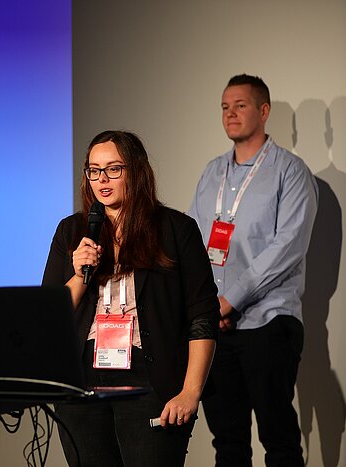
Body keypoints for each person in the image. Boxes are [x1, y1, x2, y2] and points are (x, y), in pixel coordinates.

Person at [43, 130, 219, 466]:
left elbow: (202, 316)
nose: (102, 179)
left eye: (113, 169)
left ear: (136, 171)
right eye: (94, 170)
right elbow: (50, 316)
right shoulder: (71, 230)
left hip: (149, 378)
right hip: (83, 379)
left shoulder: (175, 229)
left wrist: (190, 392)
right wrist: (79, 274)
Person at [188, 74, 318, 467]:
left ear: (264, 111)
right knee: (227, 444)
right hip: (216, 327)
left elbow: (287, 248)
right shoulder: (212, 172)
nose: (230, 114)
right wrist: (209, 306)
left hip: (268, 322)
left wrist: (230, 300)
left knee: (278, 440)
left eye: (240, 105)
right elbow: (193, 243)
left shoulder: (290, 171)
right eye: (224, 107)